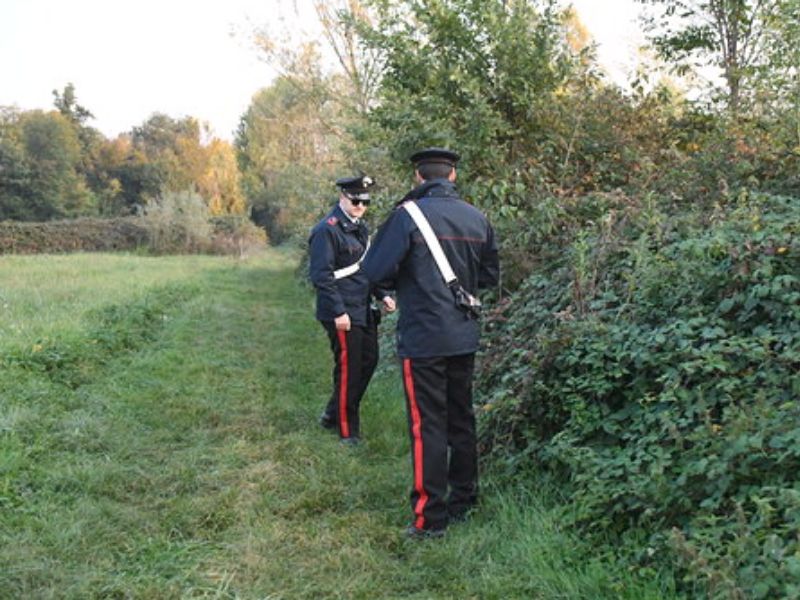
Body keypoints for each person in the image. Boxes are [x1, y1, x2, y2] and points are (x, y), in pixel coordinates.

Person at [361, 148, 500, 538]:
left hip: (423, 337)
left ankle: (429, 519)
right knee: (462, 419)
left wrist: (399, 284)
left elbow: (374, 270)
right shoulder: (478, 218)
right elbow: (489, 278)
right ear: (453, 176)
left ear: (418, 177)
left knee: (428, 426)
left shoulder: (408, 216)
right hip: (464, 335)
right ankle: (464, 502)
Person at [308, 175, 396, 446]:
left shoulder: (361, 228)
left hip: (363, 308)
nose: (360, 205)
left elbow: (365, 268)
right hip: (342, 311)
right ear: (342, 198)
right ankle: (348, 431)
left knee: (368, 362)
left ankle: (333, 413)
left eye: (364, 201)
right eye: (355, 199)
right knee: (349, 369)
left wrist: (382, 294)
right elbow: (321, 276)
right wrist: (338, 312)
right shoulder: (327, 230)